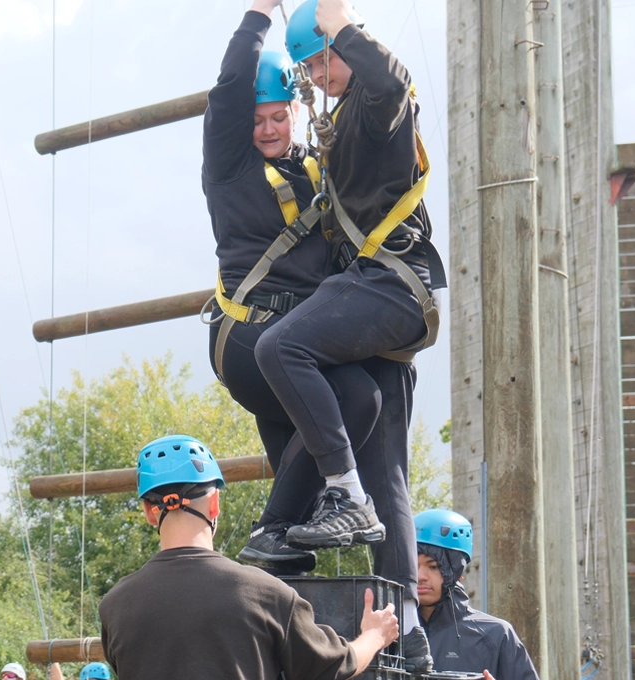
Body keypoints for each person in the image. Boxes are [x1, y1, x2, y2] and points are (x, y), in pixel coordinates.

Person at [201, 0, 388, 576]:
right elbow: (233, 83)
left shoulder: (314, 166)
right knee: (357, 400)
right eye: (257, 119)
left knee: (295, 484)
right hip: (251, 337)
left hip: (300, 341)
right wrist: (259, 12)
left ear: (294, 113)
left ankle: (275, 560)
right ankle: (270, 533)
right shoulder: (228, 166)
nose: (267, 129)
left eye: (277, 117)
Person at [97, 434, 400, 680]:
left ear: (150, 513)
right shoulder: (266, 594)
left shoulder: (114, 605)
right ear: (214, 504)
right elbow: (333, 666)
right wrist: (374, 635)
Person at [416, 510, 540, 680]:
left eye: (434, 566)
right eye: (413, 566)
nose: (420, 576)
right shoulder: (389, 632)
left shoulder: (496, 635)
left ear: (456, 571)